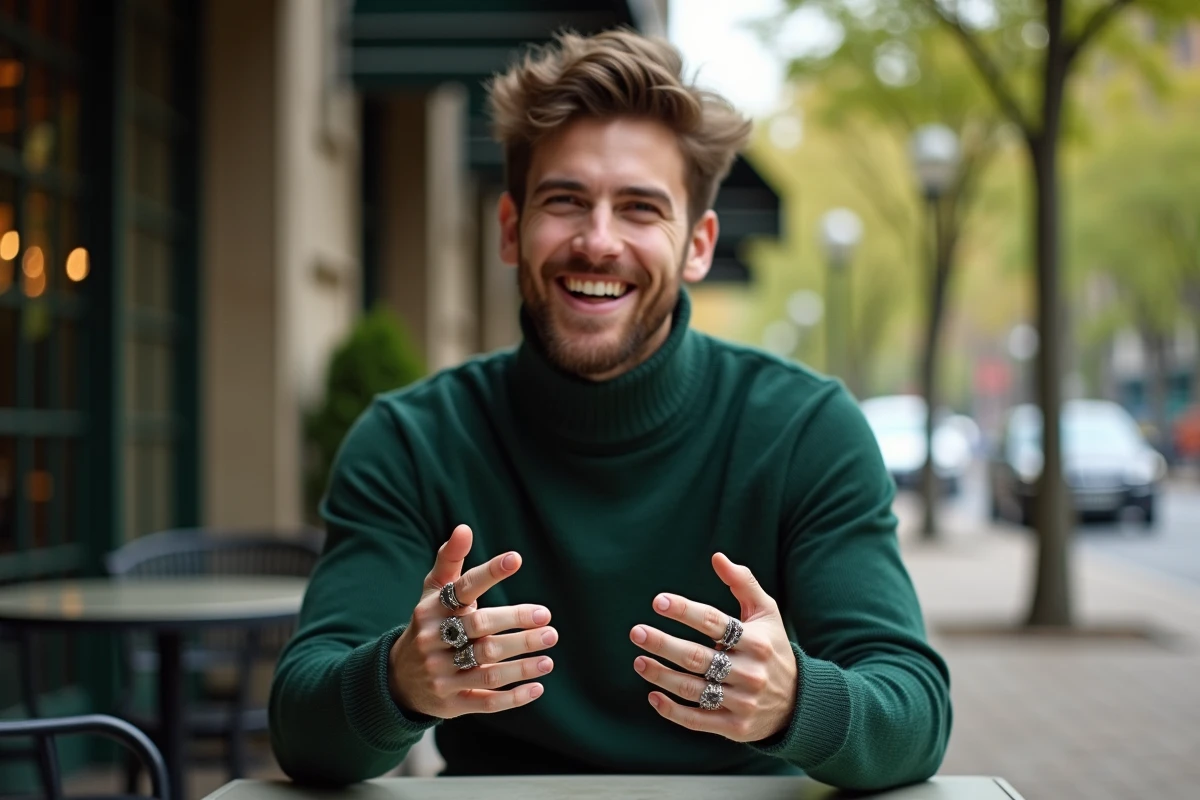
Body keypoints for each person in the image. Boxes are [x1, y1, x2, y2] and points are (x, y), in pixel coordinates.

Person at [269, 29, 951, 790]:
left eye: (639, 208)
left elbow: (915, 715)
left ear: (697, 244)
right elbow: (303, 726)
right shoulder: (410, 440)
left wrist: (797, 703)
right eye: (565, 201)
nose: (598, 242)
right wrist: (395, 682)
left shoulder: (806, 431)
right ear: (509, 229)